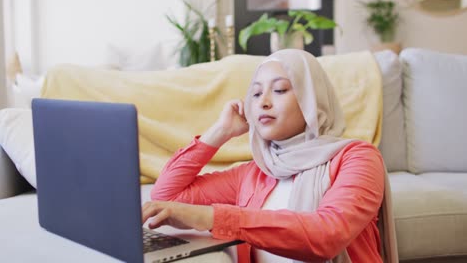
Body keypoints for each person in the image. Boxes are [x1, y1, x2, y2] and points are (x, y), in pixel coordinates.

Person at [142, 49, 396, 263]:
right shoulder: (255, 172)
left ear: (312, 99)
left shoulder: (357, 158)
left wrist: (210, 217)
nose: (263, 102)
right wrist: (219, 131)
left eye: (280, 90)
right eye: (255, 94)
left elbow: (327, 235)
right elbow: (166, 197)